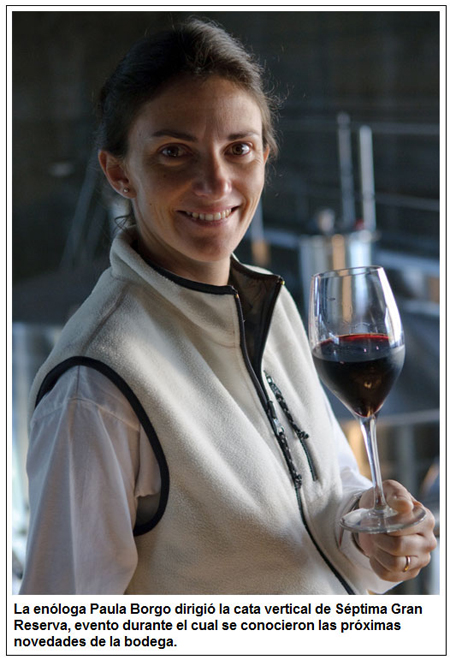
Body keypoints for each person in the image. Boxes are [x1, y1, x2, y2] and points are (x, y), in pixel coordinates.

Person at [19, 18, 436, 595]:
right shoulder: (94, 388)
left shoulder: (274, 302)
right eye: (173, 153)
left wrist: (368, 535)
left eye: (238, 148)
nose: (215, 183)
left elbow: (325, 499)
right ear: (119, 173)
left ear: (265, 154)